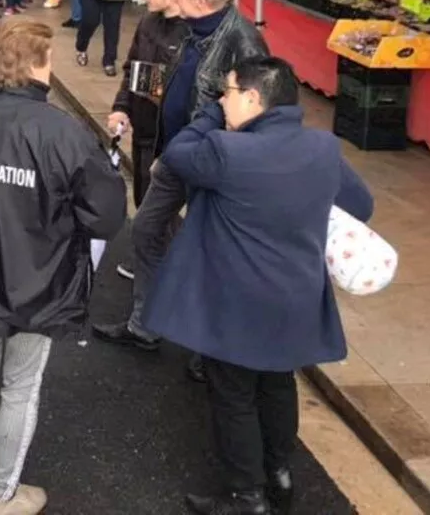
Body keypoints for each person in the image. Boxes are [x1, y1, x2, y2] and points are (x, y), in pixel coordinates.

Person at [150, 57, 373, 515]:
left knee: (233, 394)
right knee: (276, 384)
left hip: (238, 300)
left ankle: (245, 495)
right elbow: (360, 205)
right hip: (297, 295)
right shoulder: (323, 148)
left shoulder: (227, 153)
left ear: (252, 99)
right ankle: (281, 475)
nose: (221, 101)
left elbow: (177, 151)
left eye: (227, 93)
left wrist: (210, 117)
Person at [0, 19, 126, 515]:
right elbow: (105, 217)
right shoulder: (62, 132)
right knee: (19, 384)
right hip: (42, 279)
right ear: (36, 64)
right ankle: (3, 492)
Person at [94, 0, 267, 361]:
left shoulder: (243, 44)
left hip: (210, 162)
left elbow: (253, 116)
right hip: (172, 153)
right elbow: (146, 76)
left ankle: (211, 349)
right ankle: (146, 325)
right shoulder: (180, 28)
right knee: (145, 230)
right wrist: (129, 112)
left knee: (209, 250)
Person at [108, 0, 188, 212]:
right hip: (143, 134)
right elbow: (132, 68)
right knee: (142, 203)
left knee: (161, 216)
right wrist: (122, 108)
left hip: (170, 142)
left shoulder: (192, 37)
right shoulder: (148, 23)